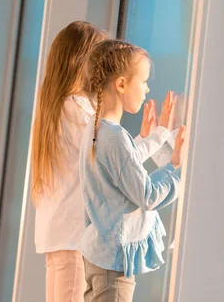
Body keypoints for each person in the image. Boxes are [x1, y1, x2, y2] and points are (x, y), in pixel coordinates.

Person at [31, 22, 176, 302]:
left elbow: (114, 156)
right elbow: (118, 157)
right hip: (75, 239)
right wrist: (157, 138)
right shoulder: (78, 110)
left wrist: (147, 138)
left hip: (59, 238)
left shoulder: (57, 108)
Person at [79, 39, 184, 301]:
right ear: (122, 84)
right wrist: (175, 168)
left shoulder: (98, 128)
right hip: (113, 265)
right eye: (144, 81)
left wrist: (157, 136)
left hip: (101, 257)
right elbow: (147, 195)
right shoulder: (114, 137)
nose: (148, 89)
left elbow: (124, 165)